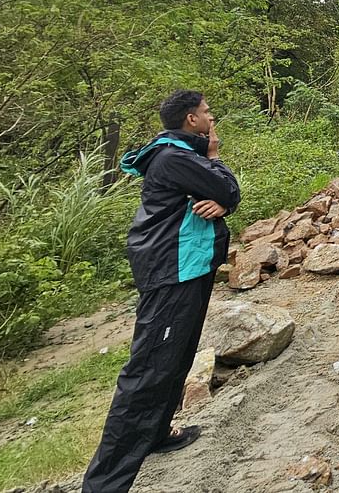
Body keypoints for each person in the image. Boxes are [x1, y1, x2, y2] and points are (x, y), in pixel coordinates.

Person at [83, 91, 240, 493]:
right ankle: (104, 484)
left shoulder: (179, 156)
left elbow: (222, 198)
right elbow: (229, 189)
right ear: (191, 119)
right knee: (148, 372)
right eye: (207, 112)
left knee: (177, 356)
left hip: (187, 267)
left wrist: (220, 201)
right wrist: (215, 161)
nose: (212, 117)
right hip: (172, 272)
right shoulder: (176, 158)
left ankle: (156, 434)